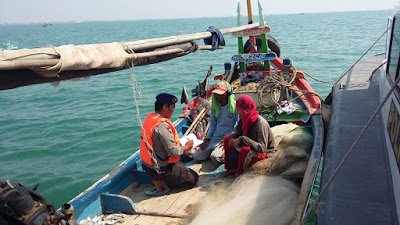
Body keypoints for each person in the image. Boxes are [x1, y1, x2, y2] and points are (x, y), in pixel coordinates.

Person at [140, 93, 199, 196]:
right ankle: (161, 184)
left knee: (182, 169)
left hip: (147, 165)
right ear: (165, 107)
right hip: (160, 168)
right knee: (194, 178)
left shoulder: (150, 118)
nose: (173, 110)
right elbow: (173, 152)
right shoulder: (162, 126)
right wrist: (187, 147)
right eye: (172, 107)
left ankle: (158, 180)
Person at [222, 94, 276, 177]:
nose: (237, 112)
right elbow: (237, 131)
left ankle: (240, 174)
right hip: (251, 145)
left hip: (266, 153)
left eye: (238, 109)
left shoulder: (261, 124)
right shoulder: (243, 118)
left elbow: (262, 148)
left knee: (245, 150)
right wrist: (232, 138)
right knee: (227, 138)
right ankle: (231, 168)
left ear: (245, 110)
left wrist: (242, 139)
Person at [192, 81, 239, 164]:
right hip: (215, 138)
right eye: (216, 94)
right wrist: (207, 139)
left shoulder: (234, 106)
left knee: (215, 157)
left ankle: (224, 153)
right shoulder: (215, 106)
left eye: (221, 94)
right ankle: (215, 151)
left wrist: (228, 138)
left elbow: (237, 125)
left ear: (227, 93)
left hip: (227, 138)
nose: (218, 96)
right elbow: (213, 124)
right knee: (196, 157)